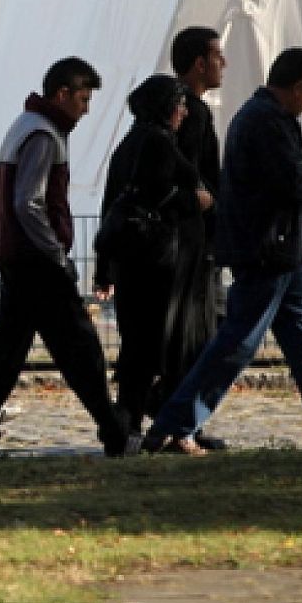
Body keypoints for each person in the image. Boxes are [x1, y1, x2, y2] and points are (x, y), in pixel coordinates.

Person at [140, 46, 302, 455]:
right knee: (237, 345)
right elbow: (291, 184)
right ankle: (174, 423)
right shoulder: (269, 122)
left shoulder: (257, 116)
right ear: (297, 87)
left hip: (279, 253)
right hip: (268, 252)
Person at [0, 57, 131, 460]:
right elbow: (29, 202)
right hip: (36, 260)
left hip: (15, 255)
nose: (86, 109)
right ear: (63, 95)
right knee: (79, 346)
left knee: (7, 350)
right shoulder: (45, 134)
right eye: (84, 99)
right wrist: (56, 253)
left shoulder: (25, 125)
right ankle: (114, 430)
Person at [92, 74, 210, 449]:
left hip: (132, 261)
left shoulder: (128, 145)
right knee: (162, 345)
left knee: (138, 344)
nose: (184, 111)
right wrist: (198, 201)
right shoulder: (159, 143)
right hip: (161, 262)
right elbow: (162, 194)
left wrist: (104, 267)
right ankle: (160, 425)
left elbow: (112, 206)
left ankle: (131, 422)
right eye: (178, 103)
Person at [166, 26, 229, 448]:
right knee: (195, 334)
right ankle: (179, 422)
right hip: (190, 241)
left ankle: (182, 421)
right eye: (217, 56)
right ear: (199, 63)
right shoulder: (192, 113)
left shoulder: (187, 108)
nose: (223, 64)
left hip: (191, 240)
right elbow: (186, 173)